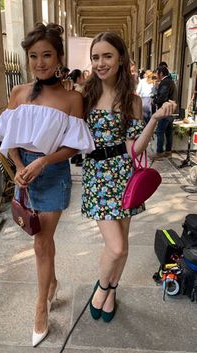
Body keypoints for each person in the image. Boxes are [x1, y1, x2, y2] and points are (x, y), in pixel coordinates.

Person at [0, 22, 95, 347]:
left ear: (58, 56)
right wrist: (20, 165)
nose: (40, 62)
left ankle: (40, 308)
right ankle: (51, 285)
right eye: (33, 56)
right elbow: (7, 138)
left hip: (52, 175)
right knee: (41, 241)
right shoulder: (19, 93)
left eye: (47, 55)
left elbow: (75, 145)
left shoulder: (72, 98)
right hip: (25, 176)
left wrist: (42, 161)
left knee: (40, 242)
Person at [81, 32, 176, 322]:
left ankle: (111, 292)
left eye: (107, 56)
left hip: (124, 177)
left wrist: (156, 119)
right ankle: (101, 287)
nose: (100, 63)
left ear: (120, 58)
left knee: (123, 246)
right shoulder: (85, 96)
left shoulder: (131, 100)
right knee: (116, 246)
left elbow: (134, 147)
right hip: (97, 178)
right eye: (96, 57)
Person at [152, 65, 177, 158]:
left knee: (160, 131)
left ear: (161, 73)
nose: (156, 75)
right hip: (171, 111)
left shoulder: (165, 82)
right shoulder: (171, 81)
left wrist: (155, 101)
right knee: (168, 132)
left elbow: (162, 96)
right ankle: (168, 151)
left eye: (157, 73)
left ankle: (160, 152)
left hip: (165, 111)